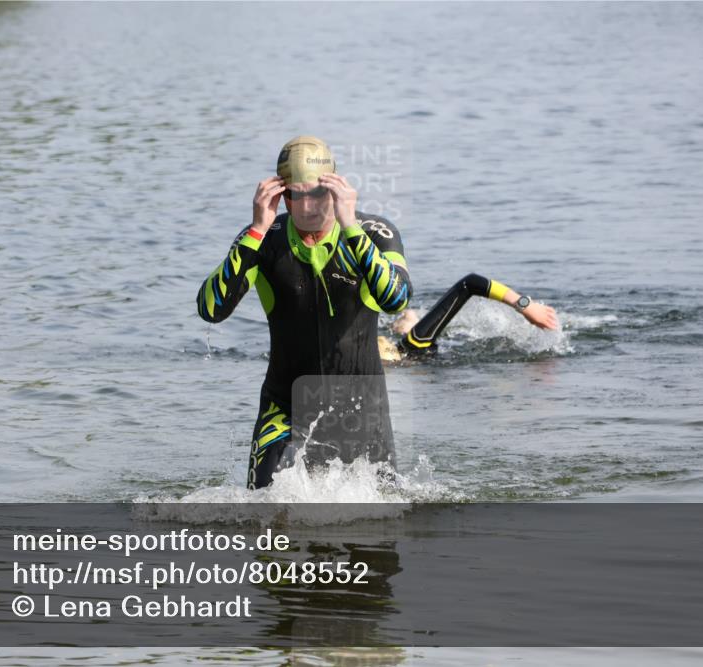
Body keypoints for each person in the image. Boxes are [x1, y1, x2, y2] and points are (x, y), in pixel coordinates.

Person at [196, 136, 412, 489]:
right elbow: (210, 309)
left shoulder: (374, 233)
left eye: (319, 193)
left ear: (337, 189)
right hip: (284, 409)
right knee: (264, 518)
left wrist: (351, 228)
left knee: (378, 529)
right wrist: (255, 230)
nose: (309, 206)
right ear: (281, 194)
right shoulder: (264, 240)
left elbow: (397, 299)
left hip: (362, 411)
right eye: (296, 195)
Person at [376, 274, 560, 362]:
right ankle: (409, 320)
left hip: (424, 345)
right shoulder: (413, 347)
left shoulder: (415, 345)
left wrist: (524, 305)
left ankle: (409, 321)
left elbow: (469, 283)